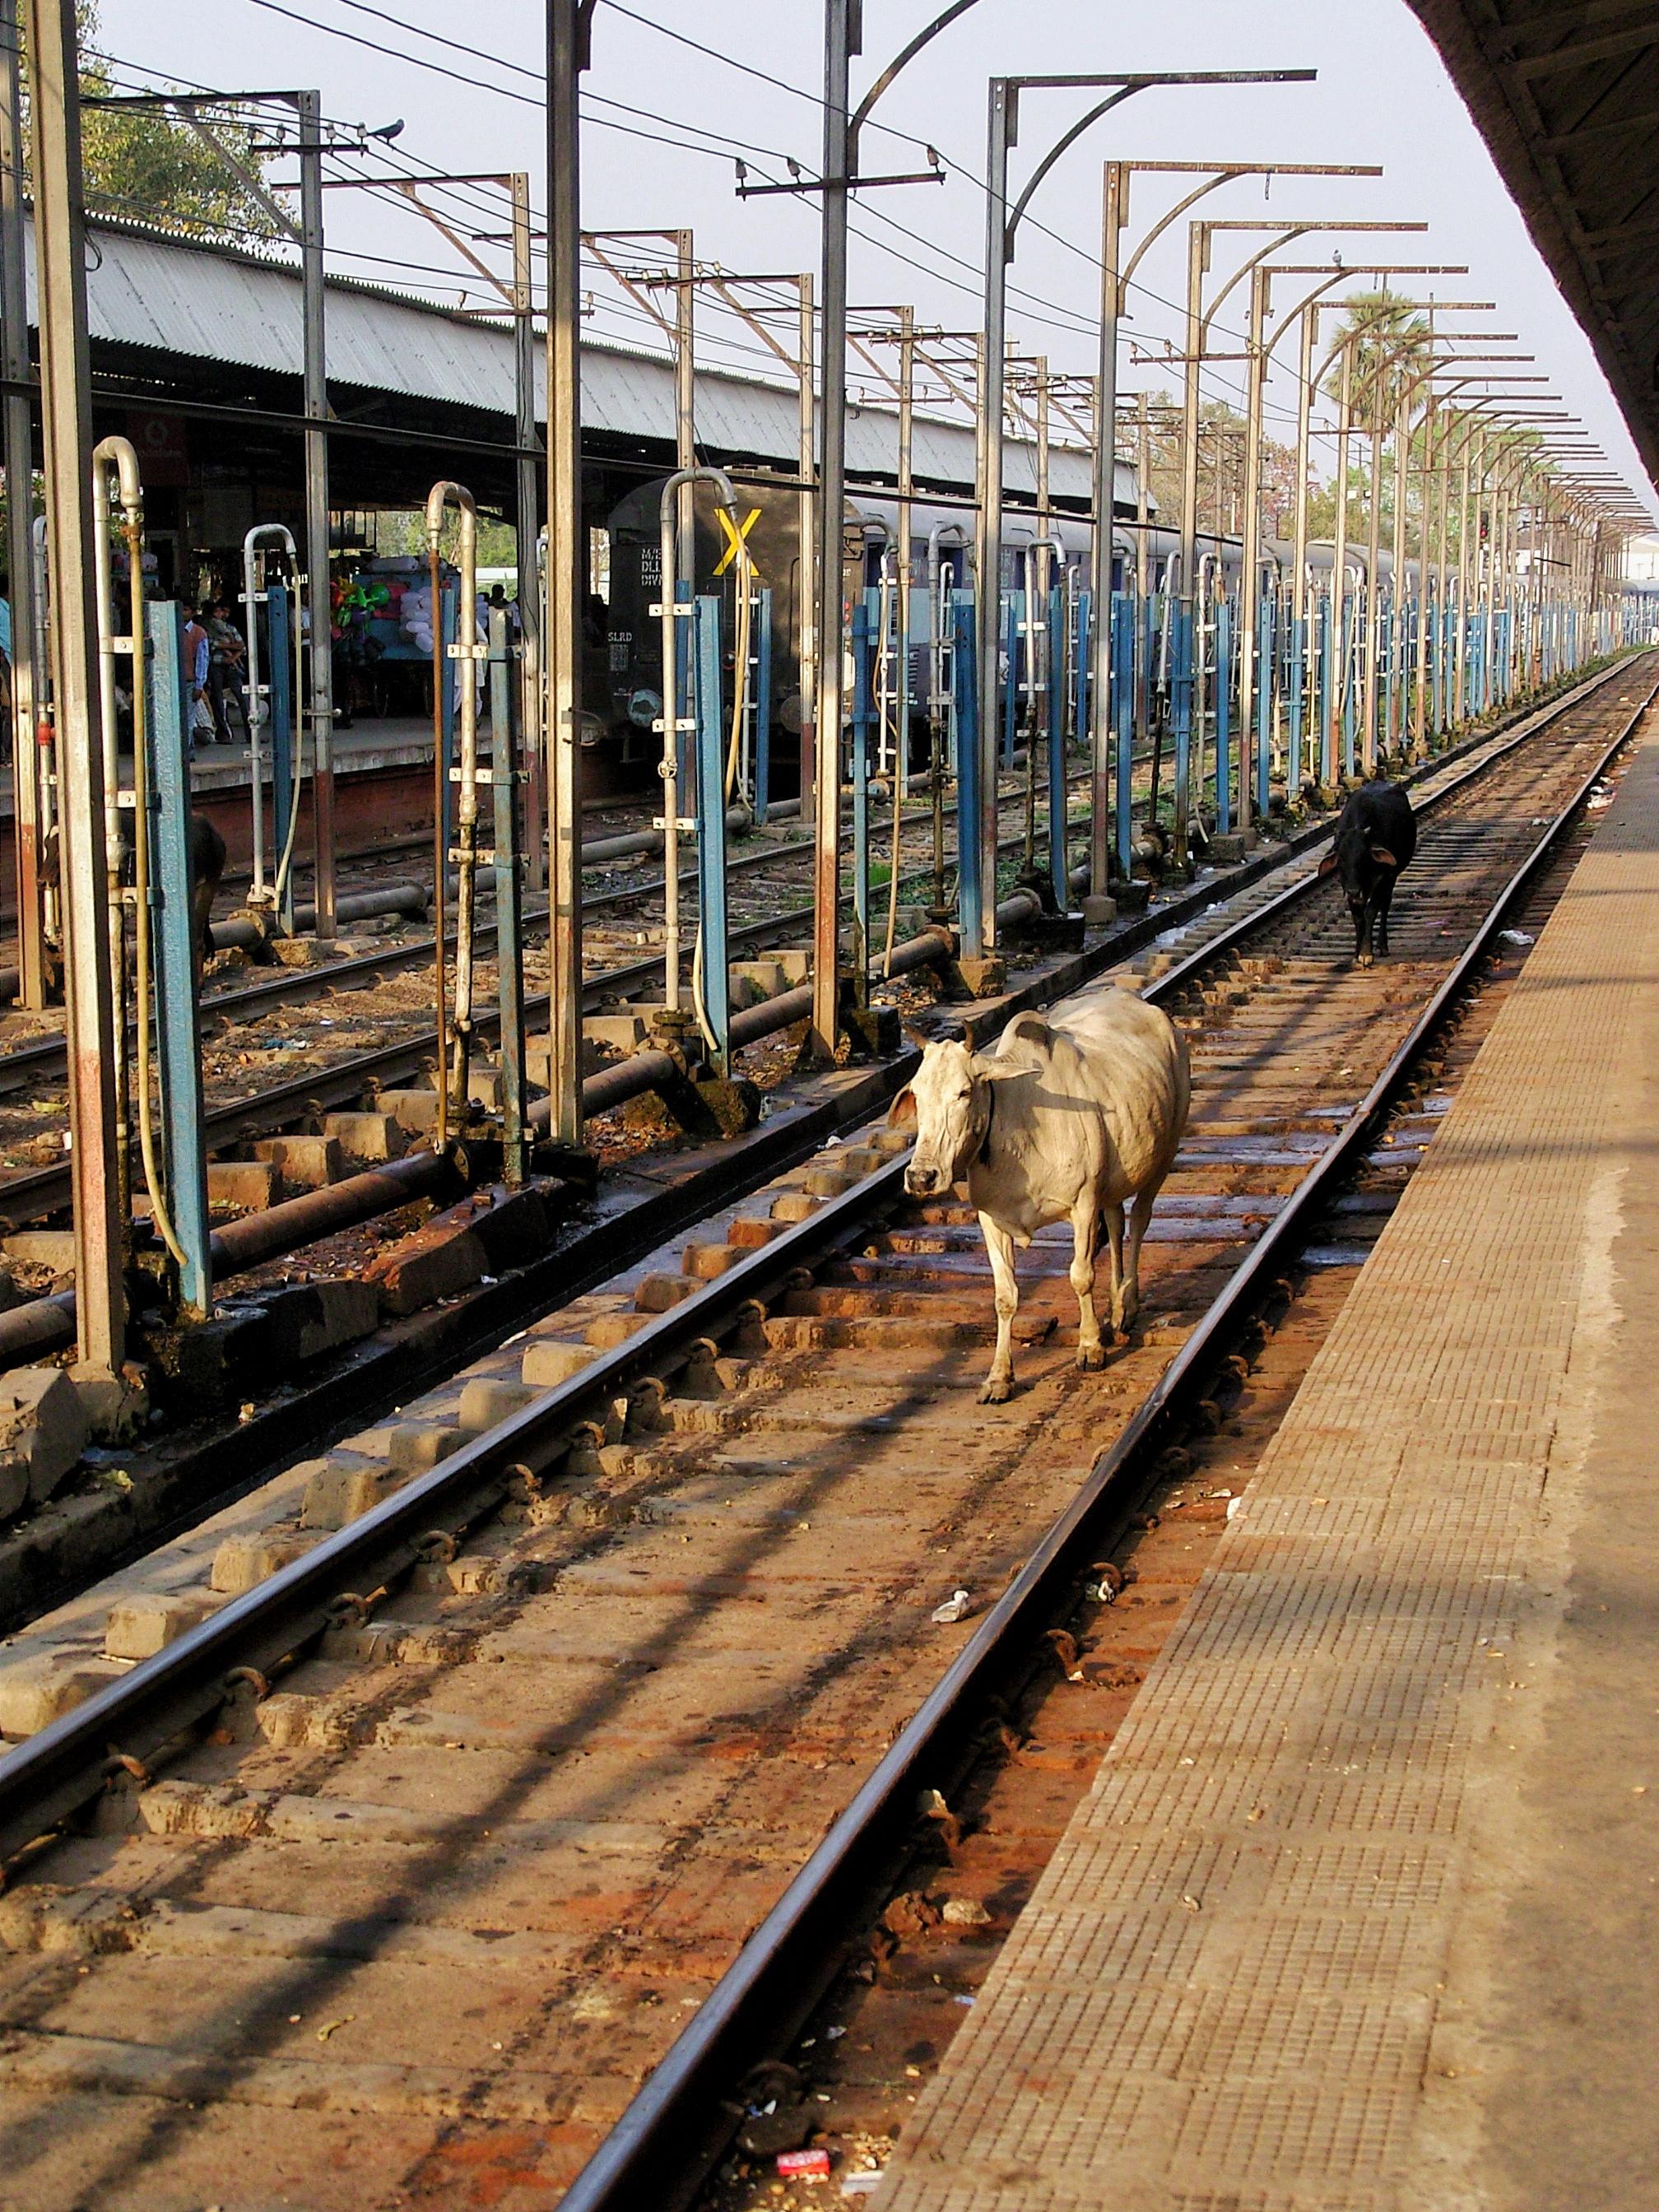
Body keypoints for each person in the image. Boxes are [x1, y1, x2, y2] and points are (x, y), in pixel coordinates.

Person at [204, 598, 247, 744]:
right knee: (217, 698)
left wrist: (232, 657)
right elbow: (211, 645)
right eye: (218, 612)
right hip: (216, 665)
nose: (221, 614)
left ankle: (250, 733)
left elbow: (242, 647)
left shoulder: (229, 628)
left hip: (232, 666)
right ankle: (223, 734)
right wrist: (230, 647)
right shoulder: (208, 628)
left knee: (242, 697)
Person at [181, 602, 211, 750]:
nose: (182, 613)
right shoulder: (174, 629)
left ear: (193, 613)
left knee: (188, 719)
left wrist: (200, 685)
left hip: (190, 681)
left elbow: (202, 660)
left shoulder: (199, 633)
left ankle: (187, 751)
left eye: (185, 609)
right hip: (177, 681)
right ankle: (189, 750)